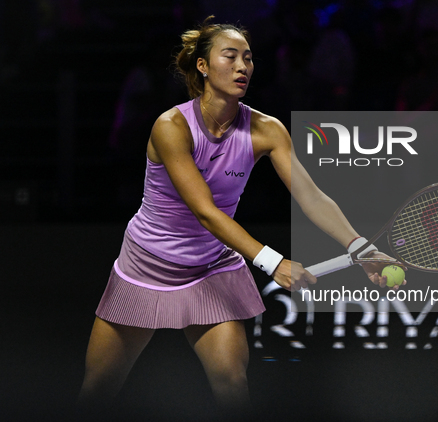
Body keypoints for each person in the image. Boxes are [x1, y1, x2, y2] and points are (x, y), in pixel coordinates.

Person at [76, 16, 403, 420]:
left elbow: (311, 198)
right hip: (147, 263)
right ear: (202, 66)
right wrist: (273, 262)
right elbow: (205, 211)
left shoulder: (267, 129)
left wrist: (362, 247)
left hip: (213, 267)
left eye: (248, 58)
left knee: (233, 382)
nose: (242, 66)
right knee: (98, 389)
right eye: (229, 57)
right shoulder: (171, 126)